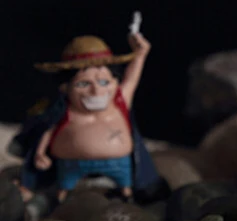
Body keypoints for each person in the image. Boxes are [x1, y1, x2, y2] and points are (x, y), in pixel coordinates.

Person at [13, 33, 162, 203]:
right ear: (65, 87)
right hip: (70, 163)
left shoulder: (120, 102)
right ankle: (58, 202)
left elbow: (131, 79)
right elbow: (48, 131)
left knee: (126, 190)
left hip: (118, 163)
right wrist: (40, 153)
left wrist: (141, 54)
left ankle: (127, 197)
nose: (96, 91)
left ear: (115, 82)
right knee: (62, 192)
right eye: (83, 84)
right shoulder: (63, 111)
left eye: (104, 82)